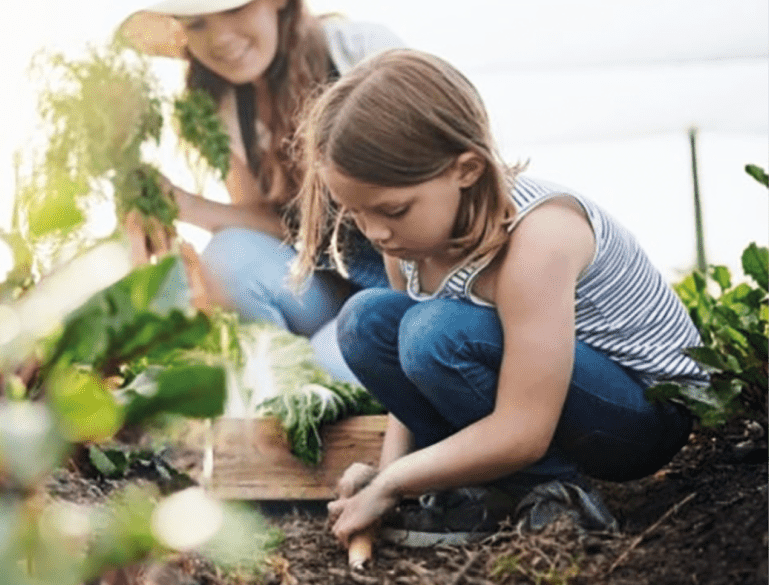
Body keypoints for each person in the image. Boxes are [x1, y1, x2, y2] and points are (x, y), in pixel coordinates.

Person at [291, 49, 704, 543]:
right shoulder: (404, 242)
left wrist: (395, 484)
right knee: (365, 320)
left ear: (465, 169)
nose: (375, 231)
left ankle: (559, 495)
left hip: (640, 415)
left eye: (393, 209)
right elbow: (407, 386)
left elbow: (524, 429)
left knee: (434, 334)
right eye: (355, 213)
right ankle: (478, 490)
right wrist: (387, 477)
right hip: (545, 398)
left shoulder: (540, 238)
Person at [119, 0, 402, 382]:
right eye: (198, 24)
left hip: (411, 289)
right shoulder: (228, 106)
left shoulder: (362, 54)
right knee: (230, 256)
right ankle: (280, 393)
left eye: (235, 8)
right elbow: (270, 224)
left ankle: (309, 385)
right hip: (330, 290)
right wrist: (183, 204)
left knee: (328, 365)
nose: (220, 38)